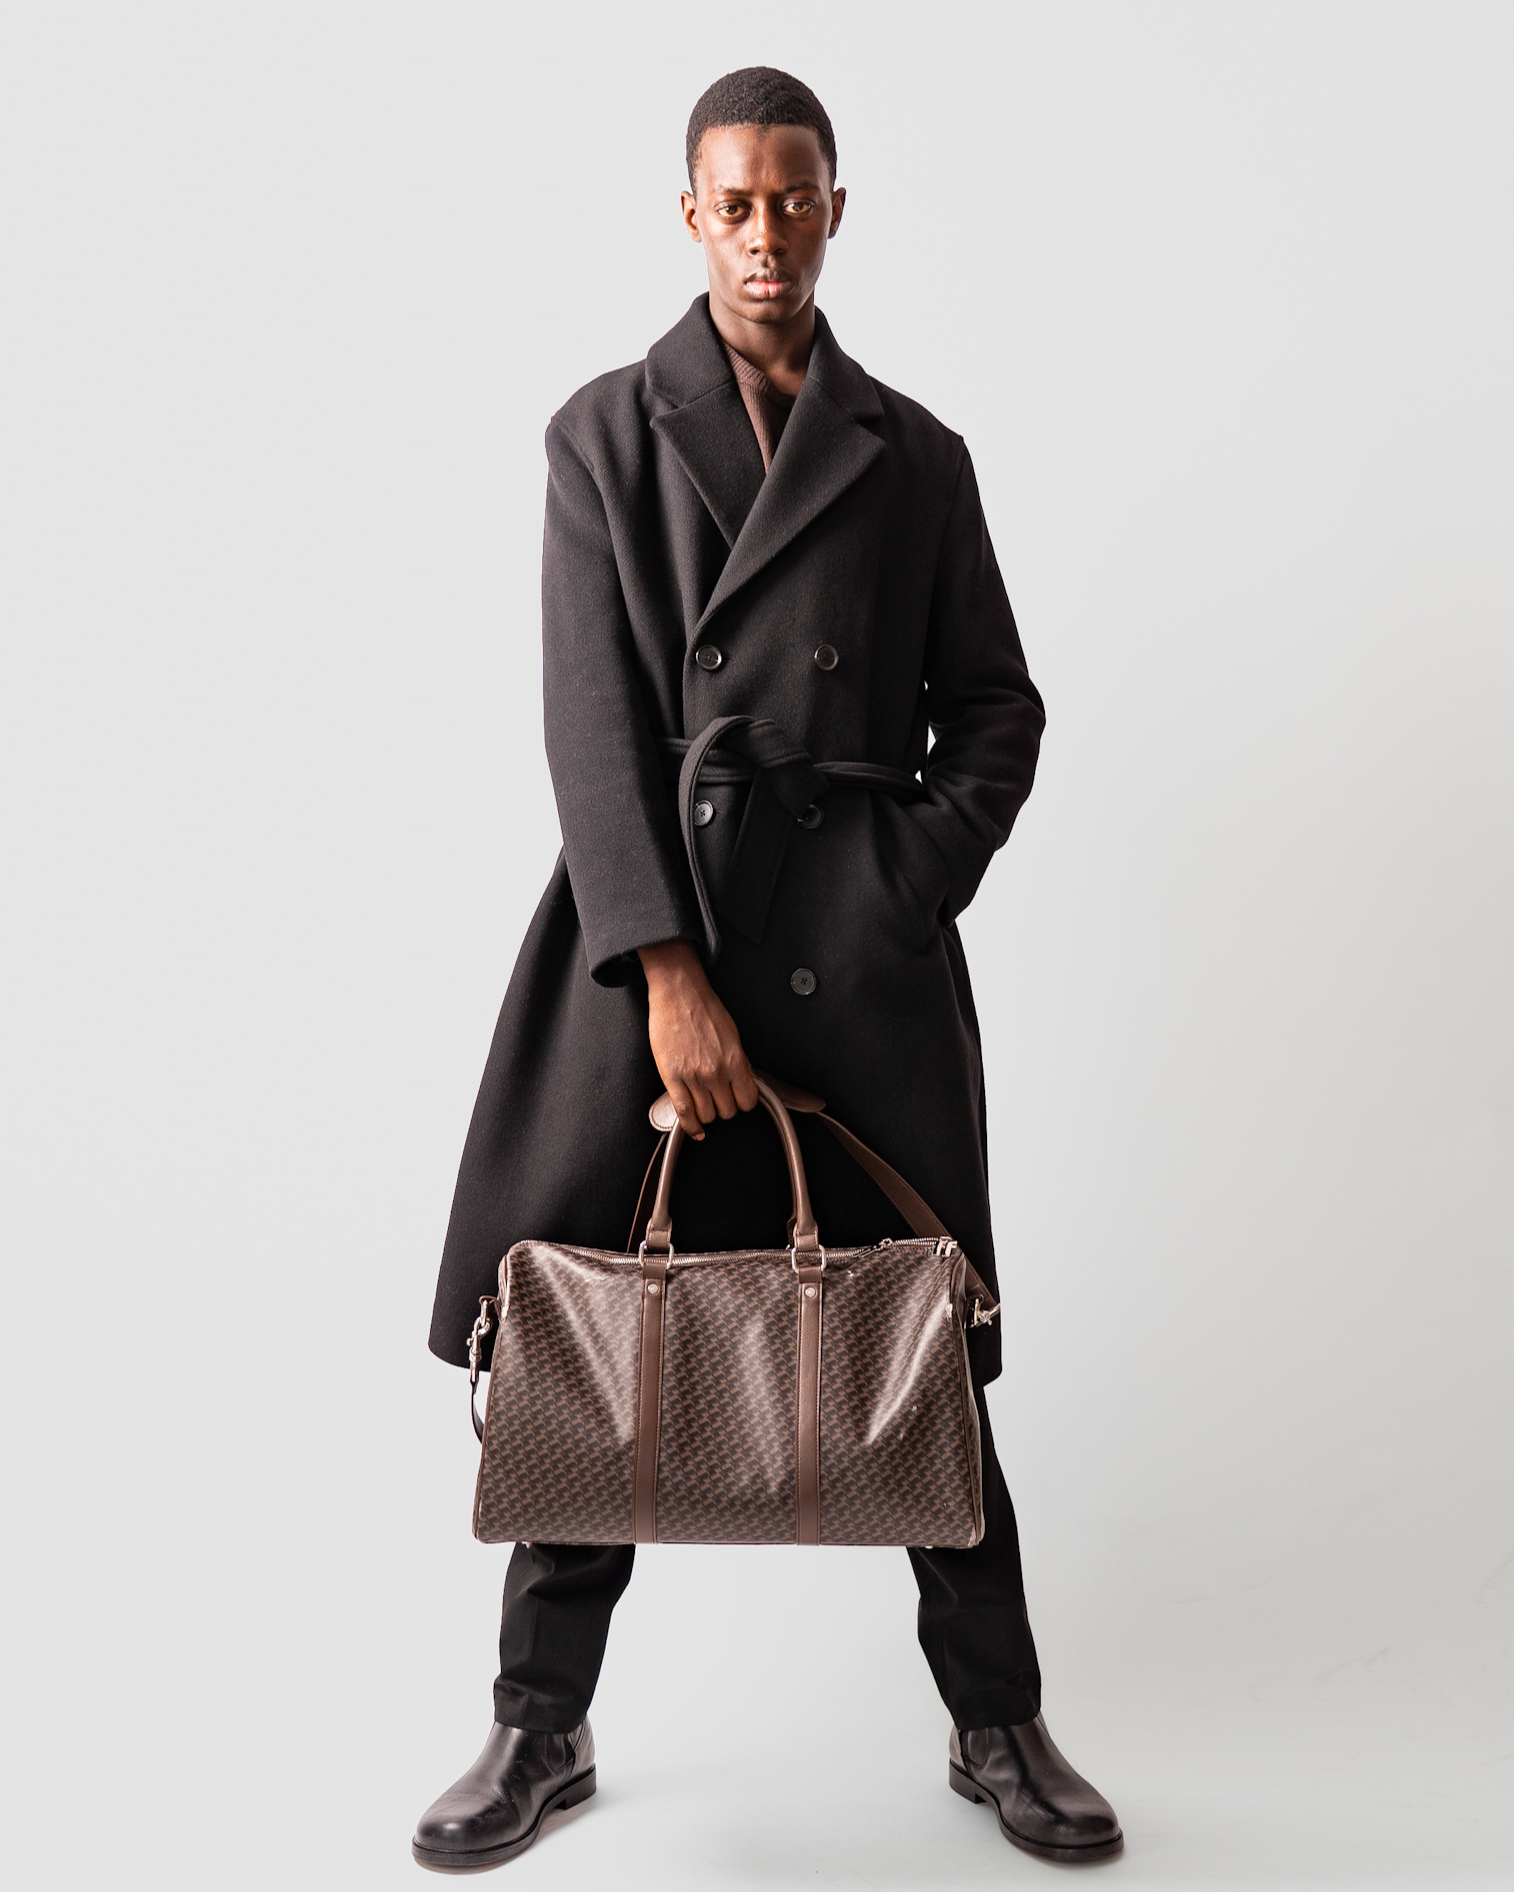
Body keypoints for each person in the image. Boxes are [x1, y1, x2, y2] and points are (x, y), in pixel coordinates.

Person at [414, 66, 1122, 1872]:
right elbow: (592, 728)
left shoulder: (912, 453)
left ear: (832, 210)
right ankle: (537, 1732)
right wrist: (665, 974)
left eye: (790, 199)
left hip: (856, 968)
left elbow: (997, 708)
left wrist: (896, 883)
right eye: (729, 202)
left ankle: (996, 1724)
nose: (761, 233)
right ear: (687, 215)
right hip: (648, 949)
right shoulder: (604, 435)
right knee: (600, 1337)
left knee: (914, 1354)